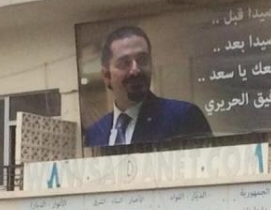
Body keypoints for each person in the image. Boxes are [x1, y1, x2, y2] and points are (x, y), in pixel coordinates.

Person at [84, 26, 212, 147]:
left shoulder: (184, 118)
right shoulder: (94, 134)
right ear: (107, 76)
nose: (135, 70)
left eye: (142, 60)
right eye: (125, 63)